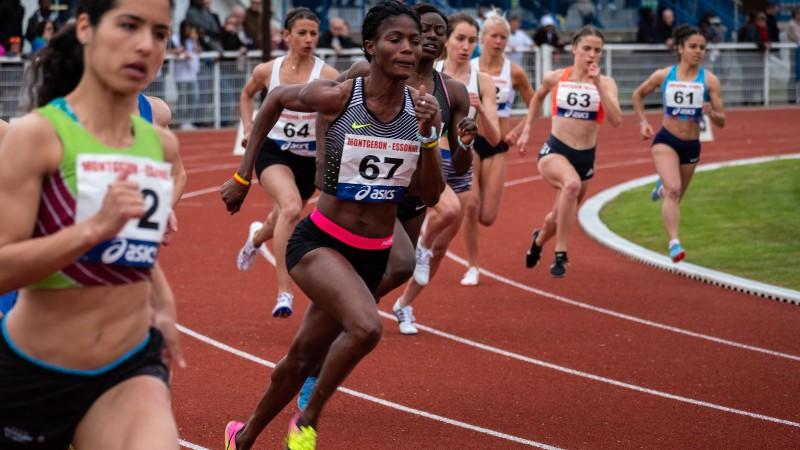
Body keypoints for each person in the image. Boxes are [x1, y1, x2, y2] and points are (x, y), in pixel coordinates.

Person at [220, 2, 443, 448]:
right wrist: (244, 175)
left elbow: (432, 195)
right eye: (394, 39)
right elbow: (278, 99)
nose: (406, 48)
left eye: (413, 41)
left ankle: (241, 437)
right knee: (366, 327)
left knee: (300, 359)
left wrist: (429, 135)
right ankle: (308, 419)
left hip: (372, 253)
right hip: (320, 242)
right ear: (370, 46)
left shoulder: (421, 111)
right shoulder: (343, 96)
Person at [0, 0, 184, 447]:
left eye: (160, 34)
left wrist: (164, 306)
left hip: (127, 370)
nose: (145, 45)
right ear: (85, 28)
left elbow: (128, 248)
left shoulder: (159, 145)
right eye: (129, 26)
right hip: (33, 375)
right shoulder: (36, 136)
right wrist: (91, 229)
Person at [344, 7, 478, 336]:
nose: (433, 36)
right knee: (400, 261)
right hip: (374, 188)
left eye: (439, 31)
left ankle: (348, 314)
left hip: (416, 195)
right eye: (425, 30)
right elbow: (331, 103)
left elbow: (460, 168)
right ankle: (347, 316)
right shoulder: (370, 72)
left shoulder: (453, 92)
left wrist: (465, 143)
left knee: (391, 270)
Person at [235, 7, 338, 318]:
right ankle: (284, 292)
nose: (308, 40)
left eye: (313, 33)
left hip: (309, 159)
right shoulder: (268, 70)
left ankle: (255, 238)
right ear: (287, 36)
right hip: (274, 150)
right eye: (302, 33)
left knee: (281, 215)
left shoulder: (328, 75)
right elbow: (246, 94)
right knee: (291, 207)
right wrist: (250, 126)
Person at [517, 26, 622, 277]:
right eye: (586, 48)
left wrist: (597, 85)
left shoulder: (606, 83)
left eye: (597, 50)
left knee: (557, 216)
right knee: (571, 185)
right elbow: (537, 97)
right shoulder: (556, 77)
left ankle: (539, 241)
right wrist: (526, 129)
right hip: (555, 150)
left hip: (585, 157)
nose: (592, 55)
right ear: (574, 49)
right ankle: (560, 255)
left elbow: (616, 119)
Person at [632, 25, 726, 263]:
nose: (698, 52)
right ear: (680, 48)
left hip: (692, 147)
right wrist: (643, 122)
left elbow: (722, 120)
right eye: (693, 47)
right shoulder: (664, 75)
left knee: (675, 195)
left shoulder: (710, 81)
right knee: (674, 190)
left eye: (702, 48)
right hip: (666, 140)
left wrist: (711, 113)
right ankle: (674, 244)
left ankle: (660, 188)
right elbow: (638, 94)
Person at [461, 9, 536, 286]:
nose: (499, 41)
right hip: (471, 142)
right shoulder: (470, 67)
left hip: (499, 143)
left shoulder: (513, 71)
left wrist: (520, 130)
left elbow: (536, 103)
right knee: (470, 205)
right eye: (493, 36)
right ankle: (472, 265)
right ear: (481, 38)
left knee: (487, 216)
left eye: (503, 37)